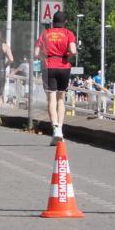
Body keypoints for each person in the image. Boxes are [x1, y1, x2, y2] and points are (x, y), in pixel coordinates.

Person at [34, 10, 77, 140]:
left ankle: (55, 128)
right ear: (65, 22)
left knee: (51, 98)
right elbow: (73, 50)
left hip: (49, 66)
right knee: (61, 99)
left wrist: (44, 58)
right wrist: (67, 56)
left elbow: (36, 53)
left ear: (53, 21)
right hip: (64, 67)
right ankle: (61, 130)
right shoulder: (69, 33)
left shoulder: (45, 33)